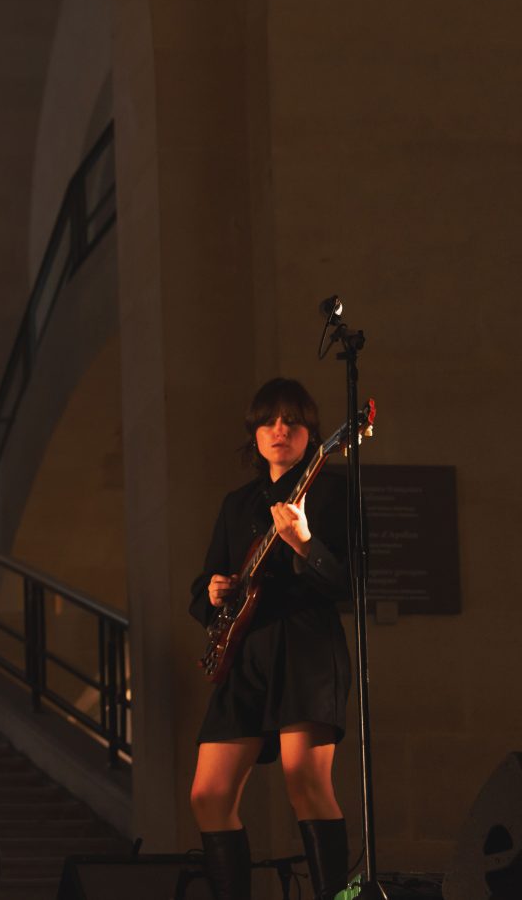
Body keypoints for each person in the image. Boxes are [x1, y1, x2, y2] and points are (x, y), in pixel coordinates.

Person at [188, 378, 352, 900]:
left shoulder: (333, 492)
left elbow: (350, 584)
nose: (279, 430)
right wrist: (211, 591)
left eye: (291, 421)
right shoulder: (238, 503)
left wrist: (305, 544)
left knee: (306, 784)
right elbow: (204, 586)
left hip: (305, 647)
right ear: (255, 435)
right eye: (268, 422)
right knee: (209, 795)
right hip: (245, 653)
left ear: (311, 434)